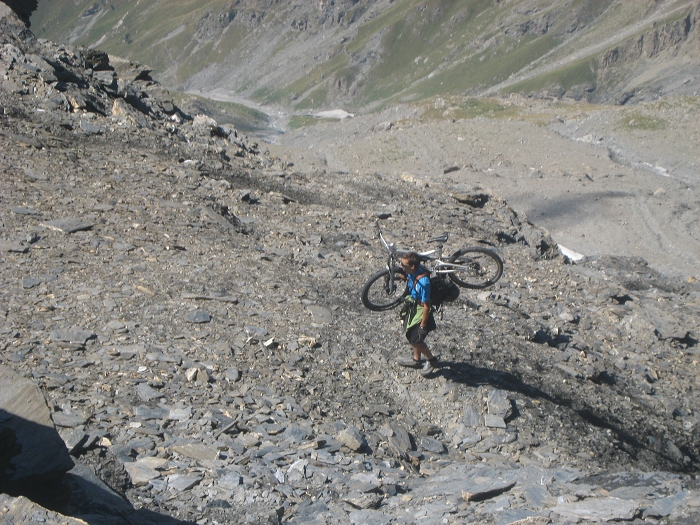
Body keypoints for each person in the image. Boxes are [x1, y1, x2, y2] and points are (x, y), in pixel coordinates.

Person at [397, 252, 439, 376]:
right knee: (411, 335)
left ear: (413, 266)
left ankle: (432, 360)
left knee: (416, 340)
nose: (401, 266)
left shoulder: (424, 282)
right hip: (414, 306)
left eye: (404, 265)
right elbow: (408, 279)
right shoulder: (412, 272)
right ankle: (417, 360)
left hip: (421, 311)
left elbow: (427, 305)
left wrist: (422, 325)